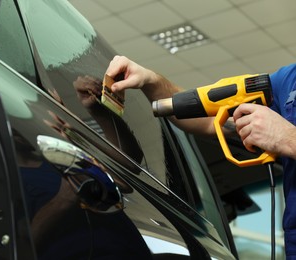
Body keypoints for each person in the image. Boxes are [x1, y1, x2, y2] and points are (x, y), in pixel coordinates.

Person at [105, 55, 296, 258]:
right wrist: (151, 80)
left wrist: (287, 138)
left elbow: (285, 137)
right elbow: (209, 115)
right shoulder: (289, 80)